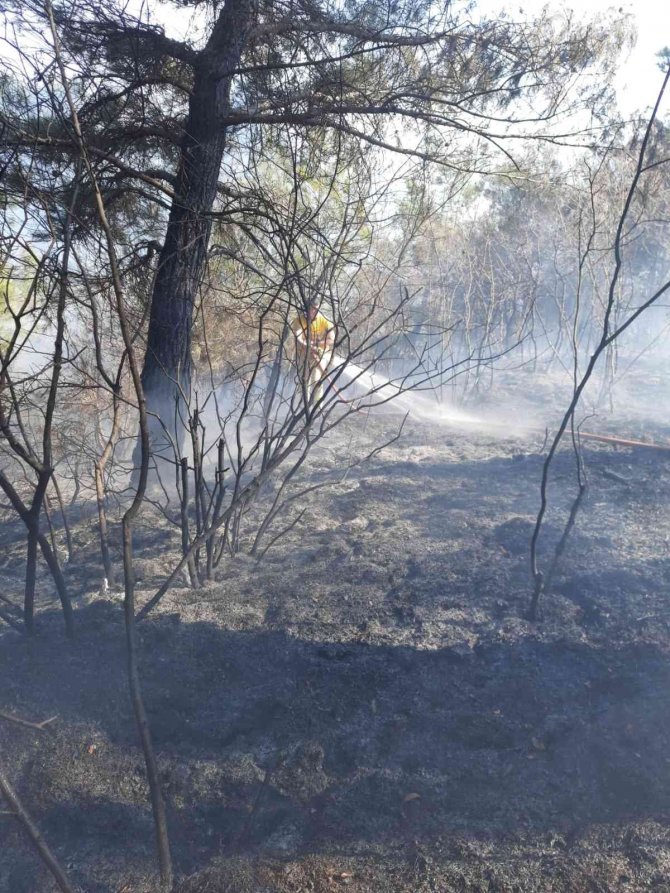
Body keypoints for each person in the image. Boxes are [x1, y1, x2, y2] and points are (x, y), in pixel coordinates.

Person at [291, 299, 336, 403]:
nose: (314, 312)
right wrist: (308, 346)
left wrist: (316, 345)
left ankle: (317, 406)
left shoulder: (324, 320)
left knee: (316, 380)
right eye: (312, 309)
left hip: (320, 354)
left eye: (316, 309)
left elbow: (331, 339)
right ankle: (303, 406)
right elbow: (298, 337)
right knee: (304, 381)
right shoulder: (299, 320)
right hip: (304, 354)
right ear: (307, 308)